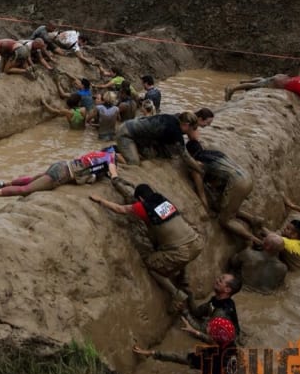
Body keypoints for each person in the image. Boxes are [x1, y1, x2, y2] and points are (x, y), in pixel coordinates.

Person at [90, 170, 203, 302]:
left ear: (141, 199)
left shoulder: (142, 207)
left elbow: (120, 209)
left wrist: (101, 200)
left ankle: (176, 293)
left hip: (180, 251)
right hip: (196, 242)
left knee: (151, 265)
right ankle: (184, 279)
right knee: (179, 247)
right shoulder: (164, 201)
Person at [0, 146, 119, 215]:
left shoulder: (98, 154)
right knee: (26, 190)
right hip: (62, 174)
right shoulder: (110, 158)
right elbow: (113, 175)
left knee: (33, 179)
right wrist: (115, 176)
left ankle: (3, 184)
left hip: (61, 165)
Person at [133, 316, 240, 374]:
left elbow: (180, 358)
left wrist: (153, 353)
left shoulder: (209, 359)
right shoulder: (230, 345)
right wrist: (195, 332)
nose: (207, 325)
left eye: (210, 328)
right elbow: (214, 341)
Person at [185, 139, 253, 241]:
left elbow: (202, 193)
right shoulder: (215, 153)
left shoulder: (198, 163)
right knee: (227, 207)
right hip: (247, 177)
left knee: (225, 220)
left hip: (237, 183)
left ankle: (254, 240)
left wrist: (206, 210)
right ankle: (254, 220)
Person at [224, 74, 300, 128]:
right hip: (278, 83)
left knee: (264, 80)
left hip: (283, 77)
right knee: (256, 86)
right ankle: (232, 89)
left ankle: (247, 80)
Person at [116, 111, 202, 166]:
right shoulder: (175, 130)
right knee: (134, 163)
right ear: (186, 125)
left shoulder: (175, 118)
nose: (192, 131)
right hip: (126, 134)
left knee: (148, 155)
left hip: (134, 130)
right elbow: (185, 156)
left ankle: (123, 150)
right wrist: (200, 169)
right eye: (192, 129)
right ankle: (112, 154)